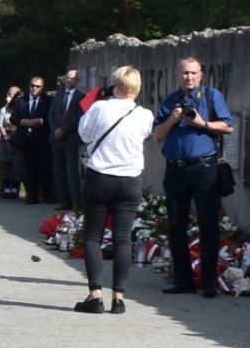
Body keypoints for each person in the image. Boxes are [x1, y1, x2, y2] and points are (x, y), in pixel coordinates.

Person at [69, 67, 152, 314]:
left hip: (101, 176)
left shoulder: (100, 108)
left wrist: (97, 101)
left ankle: (95, 294)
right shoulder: (145, 114)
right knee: (122, 238)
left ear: (115, 84)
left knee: (93, 236)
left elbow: (84, 133)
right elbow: (144, 136)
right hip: (129, 179)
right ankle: (119, 297)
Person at [156, 57, 233, 296]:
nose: (189, 77)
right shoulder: (171, 100)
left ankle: (208, 282)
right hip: (176, 169)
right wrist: (173, 119)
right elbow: (158, 134)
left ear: (201, 75)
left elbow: (228, 127)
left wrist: (202, 123)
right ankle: (183, 280)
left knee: (208, 224)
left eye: (193, 73)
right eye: (184, 73)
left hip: (203, 167)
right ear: (178, 75)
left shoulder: (211, 96)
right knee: (176, 224)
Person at [47, 68, 89, 209]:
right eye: (67, 78)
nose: (69, 80)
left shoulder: (80, 97)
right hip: (56, 138)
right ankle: (64, 200)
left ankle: (75, 201)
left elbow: (77, 118)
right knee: (58, 170)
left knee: (71, 171)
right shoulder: (58, 95)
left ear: (77, 81)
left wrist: (63, 130)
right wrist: (55, 129)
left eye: (72, 78)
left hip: (70, 138)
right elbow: (51, 114)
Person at [9, 74, 52, 201]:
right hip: (25, 138)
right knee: (27, 168)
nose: (34, 88)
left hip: (42, 139)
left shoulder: (48, 101)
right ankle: (31, 195)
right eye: (32, 86)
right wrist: (23, 122)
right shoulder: (21, 100)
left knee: (43, 167)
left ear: (42, 88)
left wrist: (40, 121)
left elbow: (52, 117)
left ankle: (46, 195)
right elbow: (13, 118)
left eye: (38, 86)